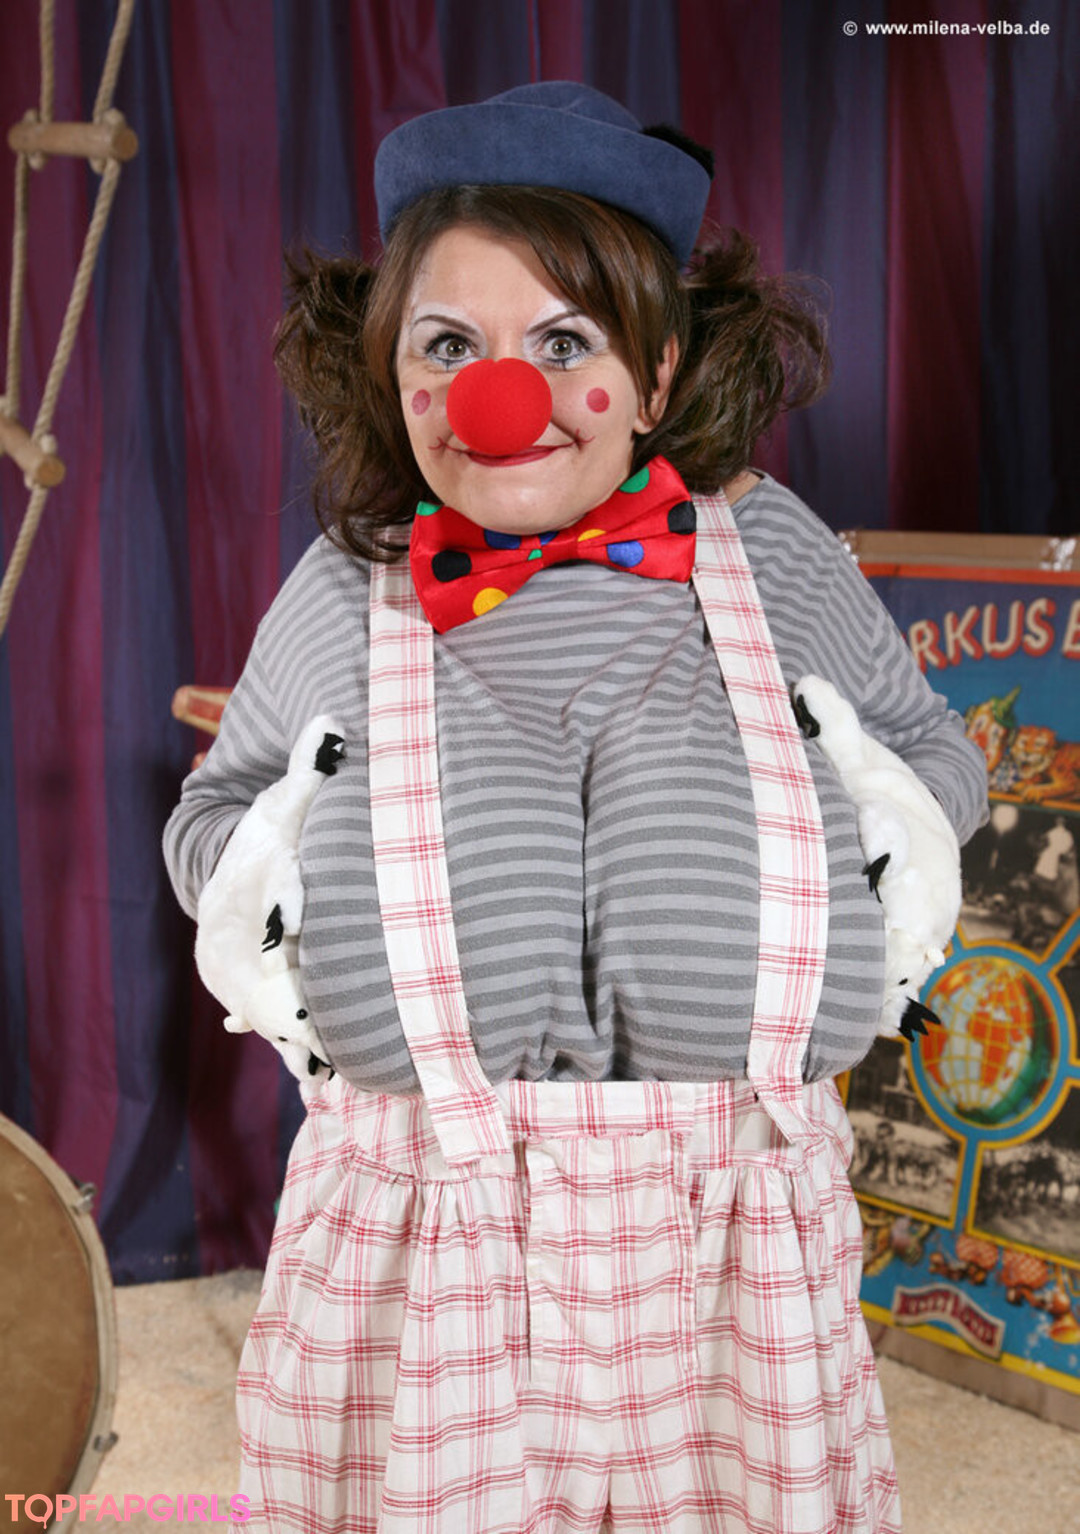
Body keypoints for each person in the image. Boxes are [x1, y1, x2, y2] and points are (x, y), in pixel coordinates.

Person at [164, 82, 988, 1534]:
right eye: (449, 346)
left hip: (732, 1233)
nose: (506, 394)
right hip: (422, 1231)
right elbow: (218, 809)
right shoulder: (347, 586)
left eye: (563, 343)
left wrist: (878, 888)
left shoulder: (774, 554)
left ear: (656, 374)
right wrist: (280, 887)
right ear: (394, 376)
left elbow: (926, 753)